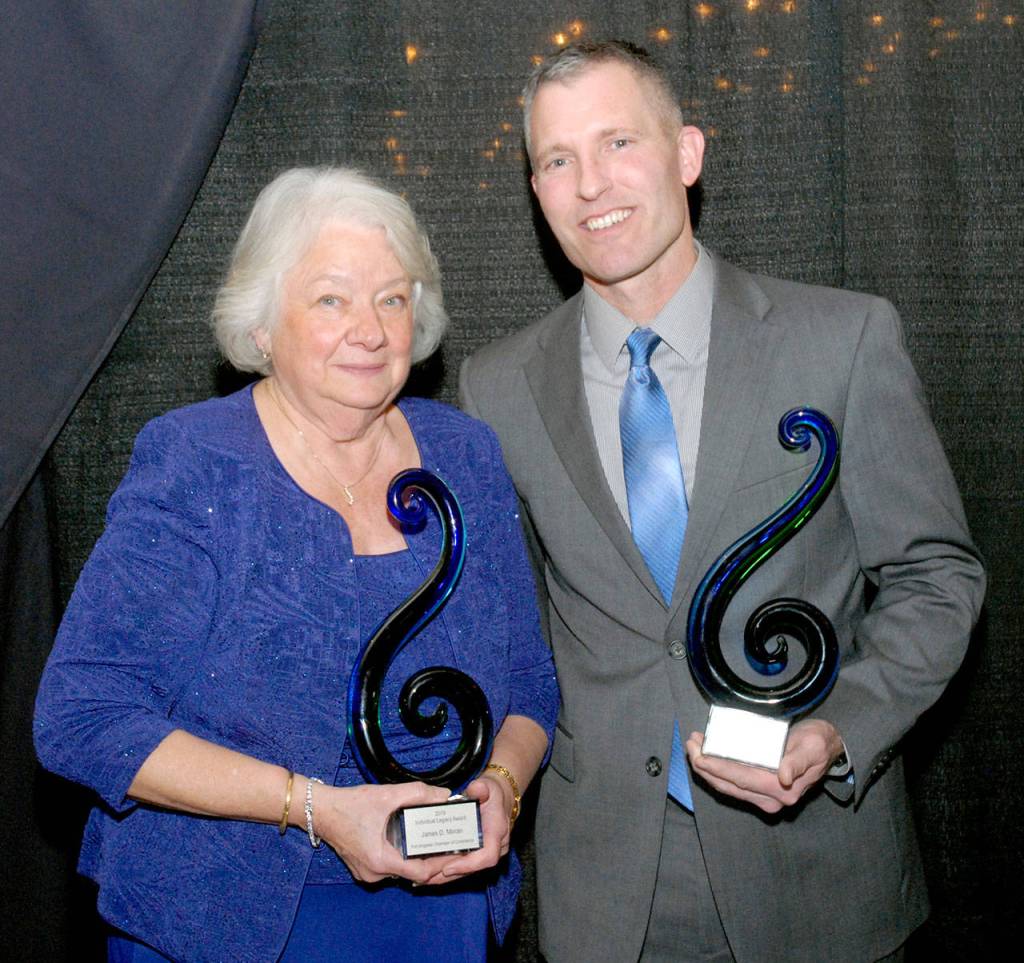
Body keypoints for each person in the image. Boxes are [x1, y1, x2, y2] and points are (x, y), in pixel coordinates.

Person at [459, 40, 985, 963]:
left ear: (687, 154)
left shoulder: (843, 340)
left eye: (619, 143)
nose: (591, 184)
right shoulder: (495, 388)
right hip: (609, 893)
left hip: (821, 872)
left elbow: (937, 577)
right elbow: (509, 632)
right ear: (535, 189)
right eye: (557, 160)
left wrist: (842, 726)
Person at [34, 166, 558, 963]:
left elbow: (530, 684)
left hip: (435, 909)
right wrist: (316, 807)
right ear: (260, 324)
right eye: (330, 299)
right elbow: (82, 717)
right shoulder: (196, 462)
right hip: (225, 918)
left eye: (393, 296)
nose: (372, 329)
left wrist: (504, 787)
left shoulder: (465, 455)